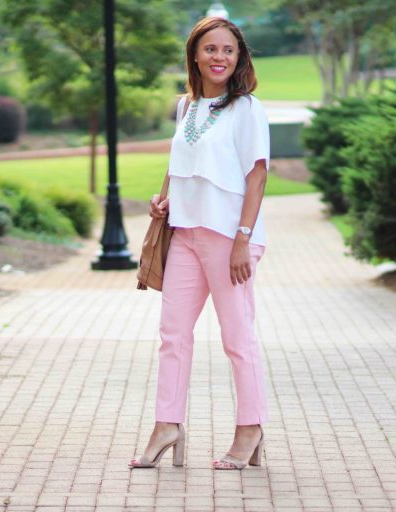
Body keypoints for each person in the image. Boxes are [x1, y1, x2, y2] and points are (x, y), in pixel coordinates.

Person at [129, 16, 270, 471]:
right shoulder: (186, 107)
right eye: (211, 49)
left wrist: (241, 241)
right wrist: (163, 199)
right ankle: (166, 424)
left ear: (239, 57)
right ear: (195, 54)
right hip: (185, 235)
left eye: (228, 50)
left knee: (237, 339)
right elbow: (179, 162)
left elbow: (257, 175)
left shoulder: (246, 109)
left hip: (230, 239)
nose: (219, 58)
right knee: (172, 335)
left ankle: (249, 430)